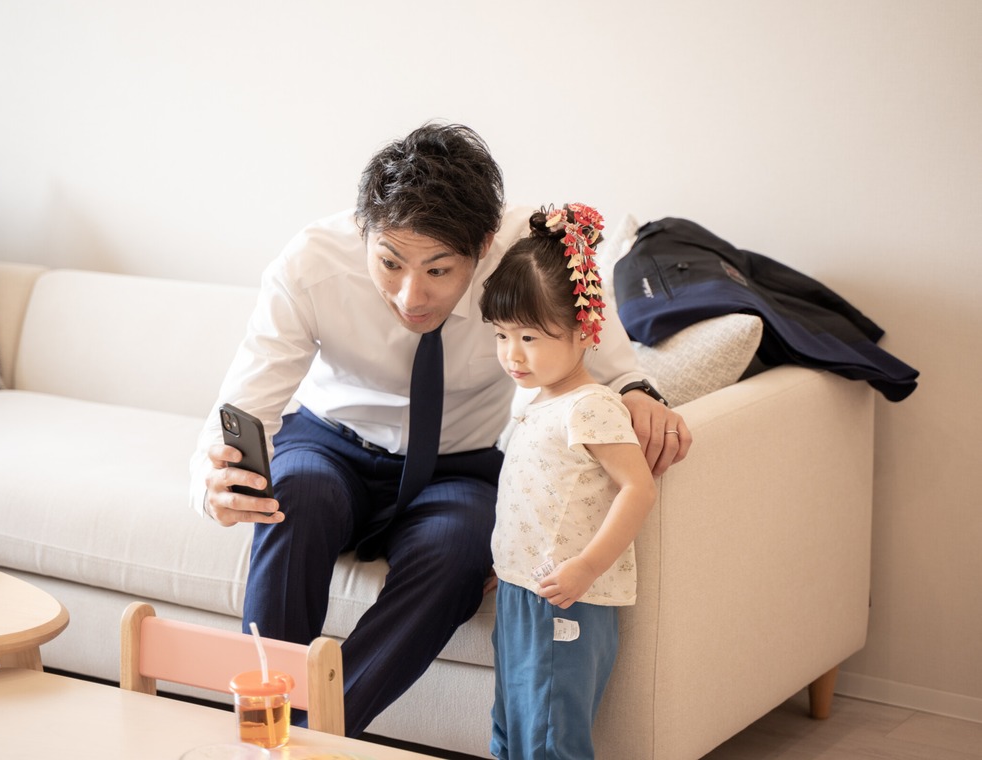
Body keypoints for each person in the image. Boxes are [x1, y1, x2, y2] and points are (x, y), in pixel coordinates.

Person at [189, 123, 691, 737]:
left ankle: (311, 735)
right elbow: (245, 401)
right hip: (331, 445)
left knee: (459, 551)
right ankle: (259, 724)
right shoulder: (312, 262)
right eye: (390, 262)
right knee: (291, 499)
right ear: (363, 230)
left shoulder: (528, 251)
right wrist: (213, 481)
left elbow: (605, 355)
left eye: (439, 269)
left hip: (459, 464)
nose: (411, 294)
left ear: (482, 246)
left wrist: (639, 394)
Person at [479, 203, 659, 759]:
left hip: (566, 599)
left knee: (552, 737)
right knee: (512, 725)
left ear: (585, 331)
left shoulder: (593, 406)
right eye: (502, 335)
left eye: (530, 337)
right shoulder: (536, 403)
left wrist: (587, 566)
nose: (513, 354)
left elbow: (638, 488)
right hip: (519, 590)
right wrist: (504, 564)